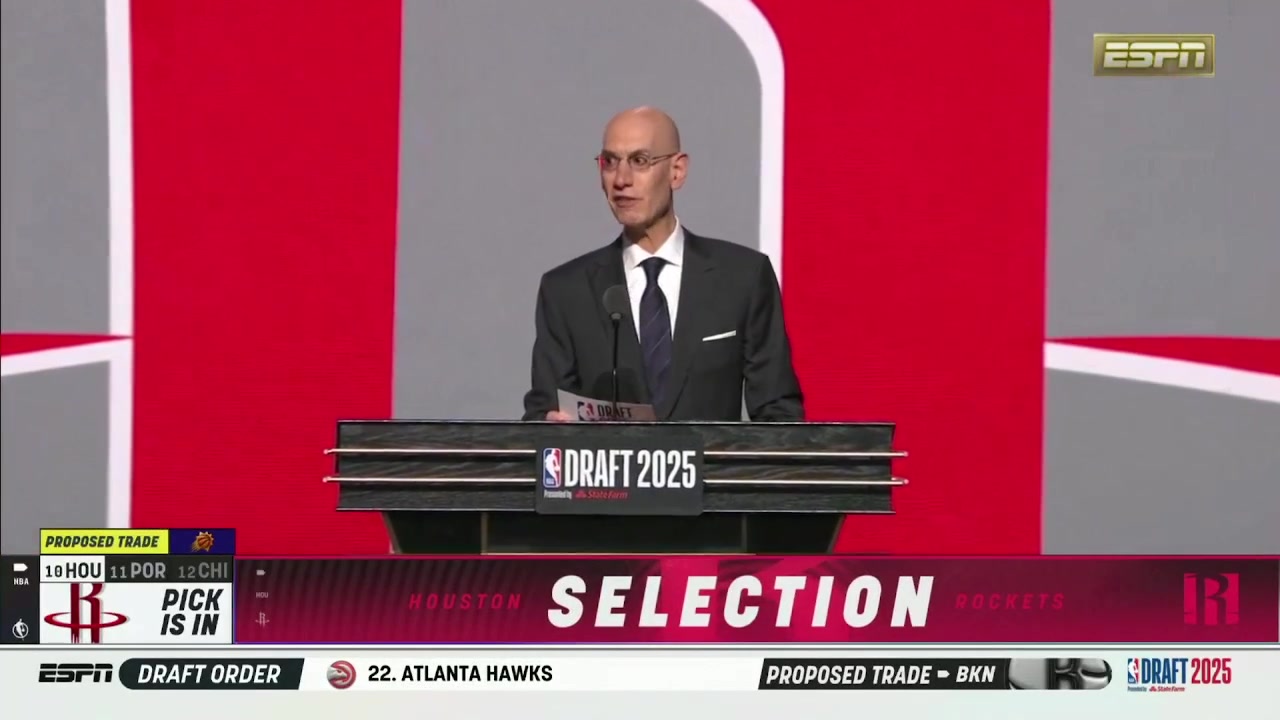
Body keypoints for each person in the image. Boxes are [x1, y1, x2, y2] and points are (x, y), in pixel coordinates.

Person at [521, 107, 804, 422]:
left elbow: (779, 416)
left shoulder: (742, 278)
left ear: (677, 171)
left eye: (640, 161)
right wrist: (549, 430)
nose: (621, 180)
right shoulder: (566, 291)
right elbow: (543, 414)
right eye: (610, 162)